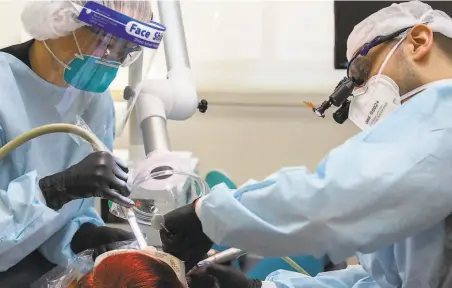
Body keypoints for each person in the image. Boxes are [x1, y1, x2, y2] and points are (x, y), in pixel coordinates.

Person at [162, 2, 452, 287]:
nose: (360, 95)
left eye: (362, 74)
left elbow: (336, 200)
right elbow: (382, 280)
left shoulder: (444, 120)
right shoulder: (421, 134)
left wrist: (208, 215)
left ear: (417, 41)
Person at [0, 1, 157, 286]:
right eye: (106, 39)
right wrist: (53, 190)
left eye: (126, 48)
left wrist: (81, 236)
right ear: (59, 19)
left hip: (38, 268)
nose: (113, 57)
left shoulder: (97, 104)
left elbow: (69, 215)